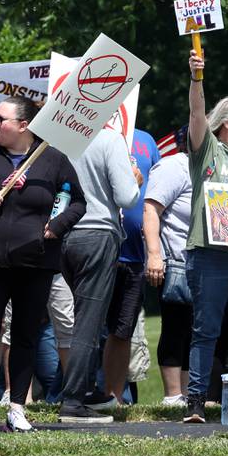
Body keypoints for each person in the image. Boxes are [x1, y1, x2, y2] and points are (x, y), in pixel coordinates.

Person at [0, 96, 85, 433]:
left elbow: (76, 202)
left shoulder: (51, 159)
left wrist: (55, 227)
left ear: (24, 125)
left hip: (35, 262)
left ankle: (17, 409)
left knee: (25, 336)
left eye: (0, 119)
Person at [57, 128, 140, 423]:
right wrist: (135, 178)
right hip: (98, 232)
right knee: (88, 322)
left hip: (63, 234)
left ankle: (86, 389)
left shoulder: (59, 137)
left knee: (83, 316)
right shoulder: (109, 140)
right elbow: (127, 196)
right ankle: (73, 401)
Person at [183, 54, 228, 423]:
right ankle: (197, 401)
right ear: (226, 123)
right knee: (206, 330)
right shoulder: (209, 151)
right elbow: (196, 115)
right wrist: (197, 78)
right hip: (210, 255)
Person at [103, 128, 159, 403]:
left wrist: (154, 249)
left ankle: (113, 397)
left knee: (123, 329)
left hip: (134, 254)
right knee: (88, 329)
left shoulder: (145, 140)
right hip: (98, 249)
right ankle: (80, 395)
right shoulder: (92, 131)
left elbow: (156, 193)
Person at [143, 140, 193, 406]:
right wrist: (155, 255)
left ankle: (189, 394)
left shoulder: (217, 167)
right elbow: (151, 209)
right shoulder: (173, 166)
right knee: (177, 325)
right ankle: (173, 396)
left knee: (200, 331)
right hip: (177, 260)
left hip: (211, 263)